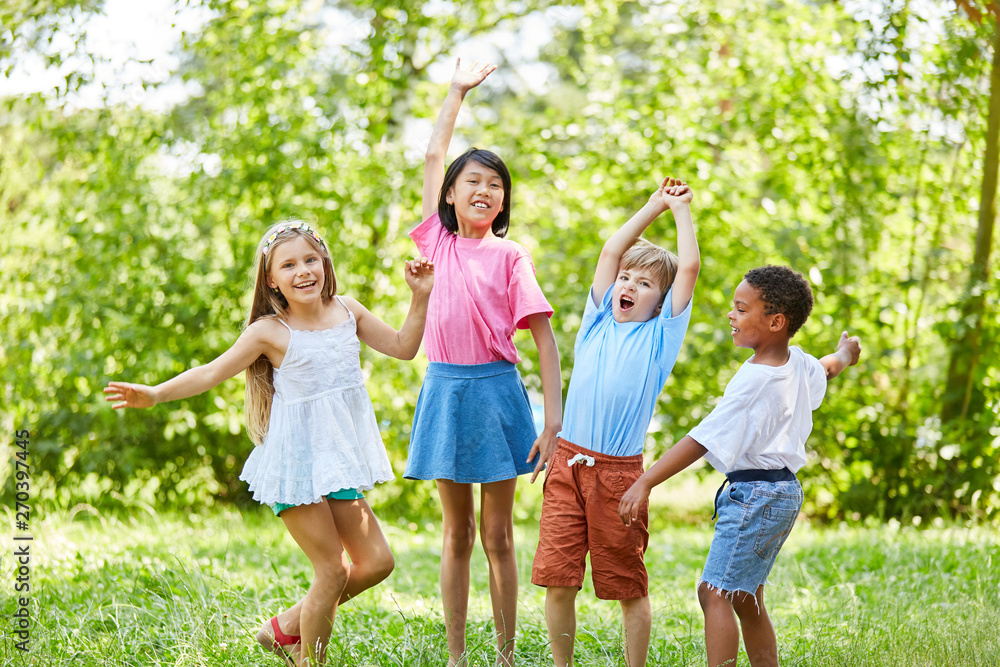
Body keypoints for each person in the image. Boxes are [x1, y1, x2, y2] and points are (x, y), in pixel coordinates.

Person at [104, 220, 434, 667]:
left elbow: (403, 346)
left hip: (334, 463)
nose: (303, 271)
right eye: (289, 265)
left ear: (325, 262)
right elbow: (210, 372)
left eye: (310, 260)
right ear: (271, 279)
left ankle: (284, 629)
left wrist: (420, 296)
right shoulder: (270, 331)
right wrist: (156, 393)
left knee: (377, 562)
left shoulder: (348, 311)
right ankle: (309, 661)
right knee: (332, 570)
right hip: (294, 466)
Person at [618, 265, 863, 667]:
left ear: (775, 321)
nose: (731, 315)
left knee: (715, 593)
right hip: (781, 492)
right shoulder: (796, 363)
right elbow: (827, 367)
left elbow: (702, 438)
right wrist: (846, 354)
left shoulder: (754, 380)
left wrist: (646, 481)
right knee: (746, 596)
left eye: (741, 309)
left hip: (756, 496)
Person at [405, 59, 562, 667]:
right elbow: (431, 153)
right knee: (457, 534)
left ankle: (504, 655)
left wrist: (551, 422)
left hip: (499, 394)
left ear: (503, 201)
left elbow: (544, 338)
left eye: (494, 185)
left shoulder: (512, 256)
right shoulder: (437, 244)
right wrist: (455, 92)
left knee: (498, 535)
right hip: (445, 390)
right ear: (450, 192)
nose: (483, 190)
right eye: (471, 181)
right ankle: (456, 656)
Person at [530, 177, 700, 667]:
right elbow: (611, 250)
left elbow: (687, 266)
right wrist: (651, 205)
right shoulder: (596, 321)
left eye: (645, 284)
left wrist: (680, 210)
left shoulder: (660, 338)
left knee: (627, 583)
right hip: (567, 466)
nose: (629, 286)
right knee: (558, 579)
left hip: (618, 475)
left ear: (661, 302)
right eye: (627, 278)